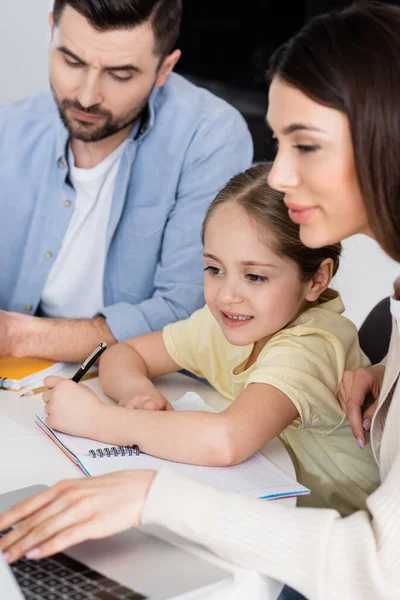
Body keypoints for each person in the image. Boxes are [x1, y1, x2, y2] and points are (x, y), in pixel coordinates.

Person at [1, 2, 400, 599]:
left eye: (305, 146)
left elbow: (374, 571)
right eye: (212, 269)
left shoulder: (204, 134)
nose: (281, 177)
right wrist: (387, 372)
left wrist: (144, 485)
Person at [39, 163, 379, 517]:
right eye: (215, 269)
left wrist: (96, 420)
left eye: (255, 277)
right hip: (267, 508)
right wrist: (136, 393)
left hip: (338, 533)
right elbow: (125, 353)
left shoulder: (312, 344)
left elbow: (226, 441)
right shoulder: (222, 324)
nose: (227, 295)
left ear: (316, 279)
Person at [0, 0, 252, 363]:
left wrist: (20, 336)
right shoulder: (12, 129)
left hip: (145, 384)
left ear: (164, 69)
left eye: (120, 75)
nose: (86, 96)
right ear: (52, 29)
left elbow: (188, 316)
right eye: (72, 61)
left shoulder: (209, 137)